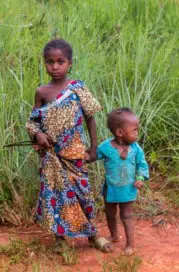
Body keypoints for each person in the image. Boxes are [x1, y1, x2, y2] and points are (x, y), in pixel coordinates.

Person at [25, 39, 112, 252]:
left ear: (70, 63)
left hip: (74, 153)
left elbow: (90, 118)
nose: (55, 67)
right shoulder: (42, 92)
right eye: (50, 62)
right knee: (55, 196)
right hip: (51, 155)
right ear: (44, 63)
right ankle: (60, 238)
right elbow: (32, 121)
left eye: (60, 61)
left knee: (83, 193)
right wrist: (38, 135)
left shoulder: (77, 88)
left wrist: (93, 147)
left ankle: (93, 234)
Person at [92, 108, 149, 256]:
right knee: (110, 214)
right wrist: (84, 155)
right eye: (134, 130)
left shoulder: (136, 149)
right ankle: (114, 235)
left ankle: (130, 244)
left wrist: (140, 178)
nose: (137, 133)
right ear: (120, 133)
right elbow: (93, 155)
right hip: (110, 189)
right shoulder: (106, 147)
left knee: (127, 215)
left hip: (128, 189)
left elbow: (142, 165)